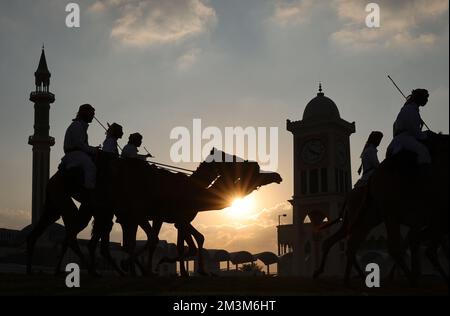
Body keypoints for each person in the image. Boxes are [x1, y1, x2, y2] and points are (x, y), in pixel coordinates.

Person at [387, 89, 431, 169]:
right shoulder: (410, 109)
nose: (426, 100)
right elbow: (414, 131)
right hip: (405, 139)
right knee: (424, 151)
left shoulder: (409, 109)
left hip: (400, 139)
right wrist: (426, 135)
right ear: (419, 97)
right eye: (425, 97)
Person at [59, 104, 99, 190]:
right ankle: (89, 190)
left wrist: (93, 149)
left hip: (78, 153)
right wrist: (94, 150)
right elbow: (79, 145)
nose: (93, 116)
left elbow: (84, 146)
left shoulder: (82, 127)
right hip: (74, 154)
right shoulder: (76, 125)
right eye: (91, 113)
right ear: (84, 113)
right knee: (90, 166)